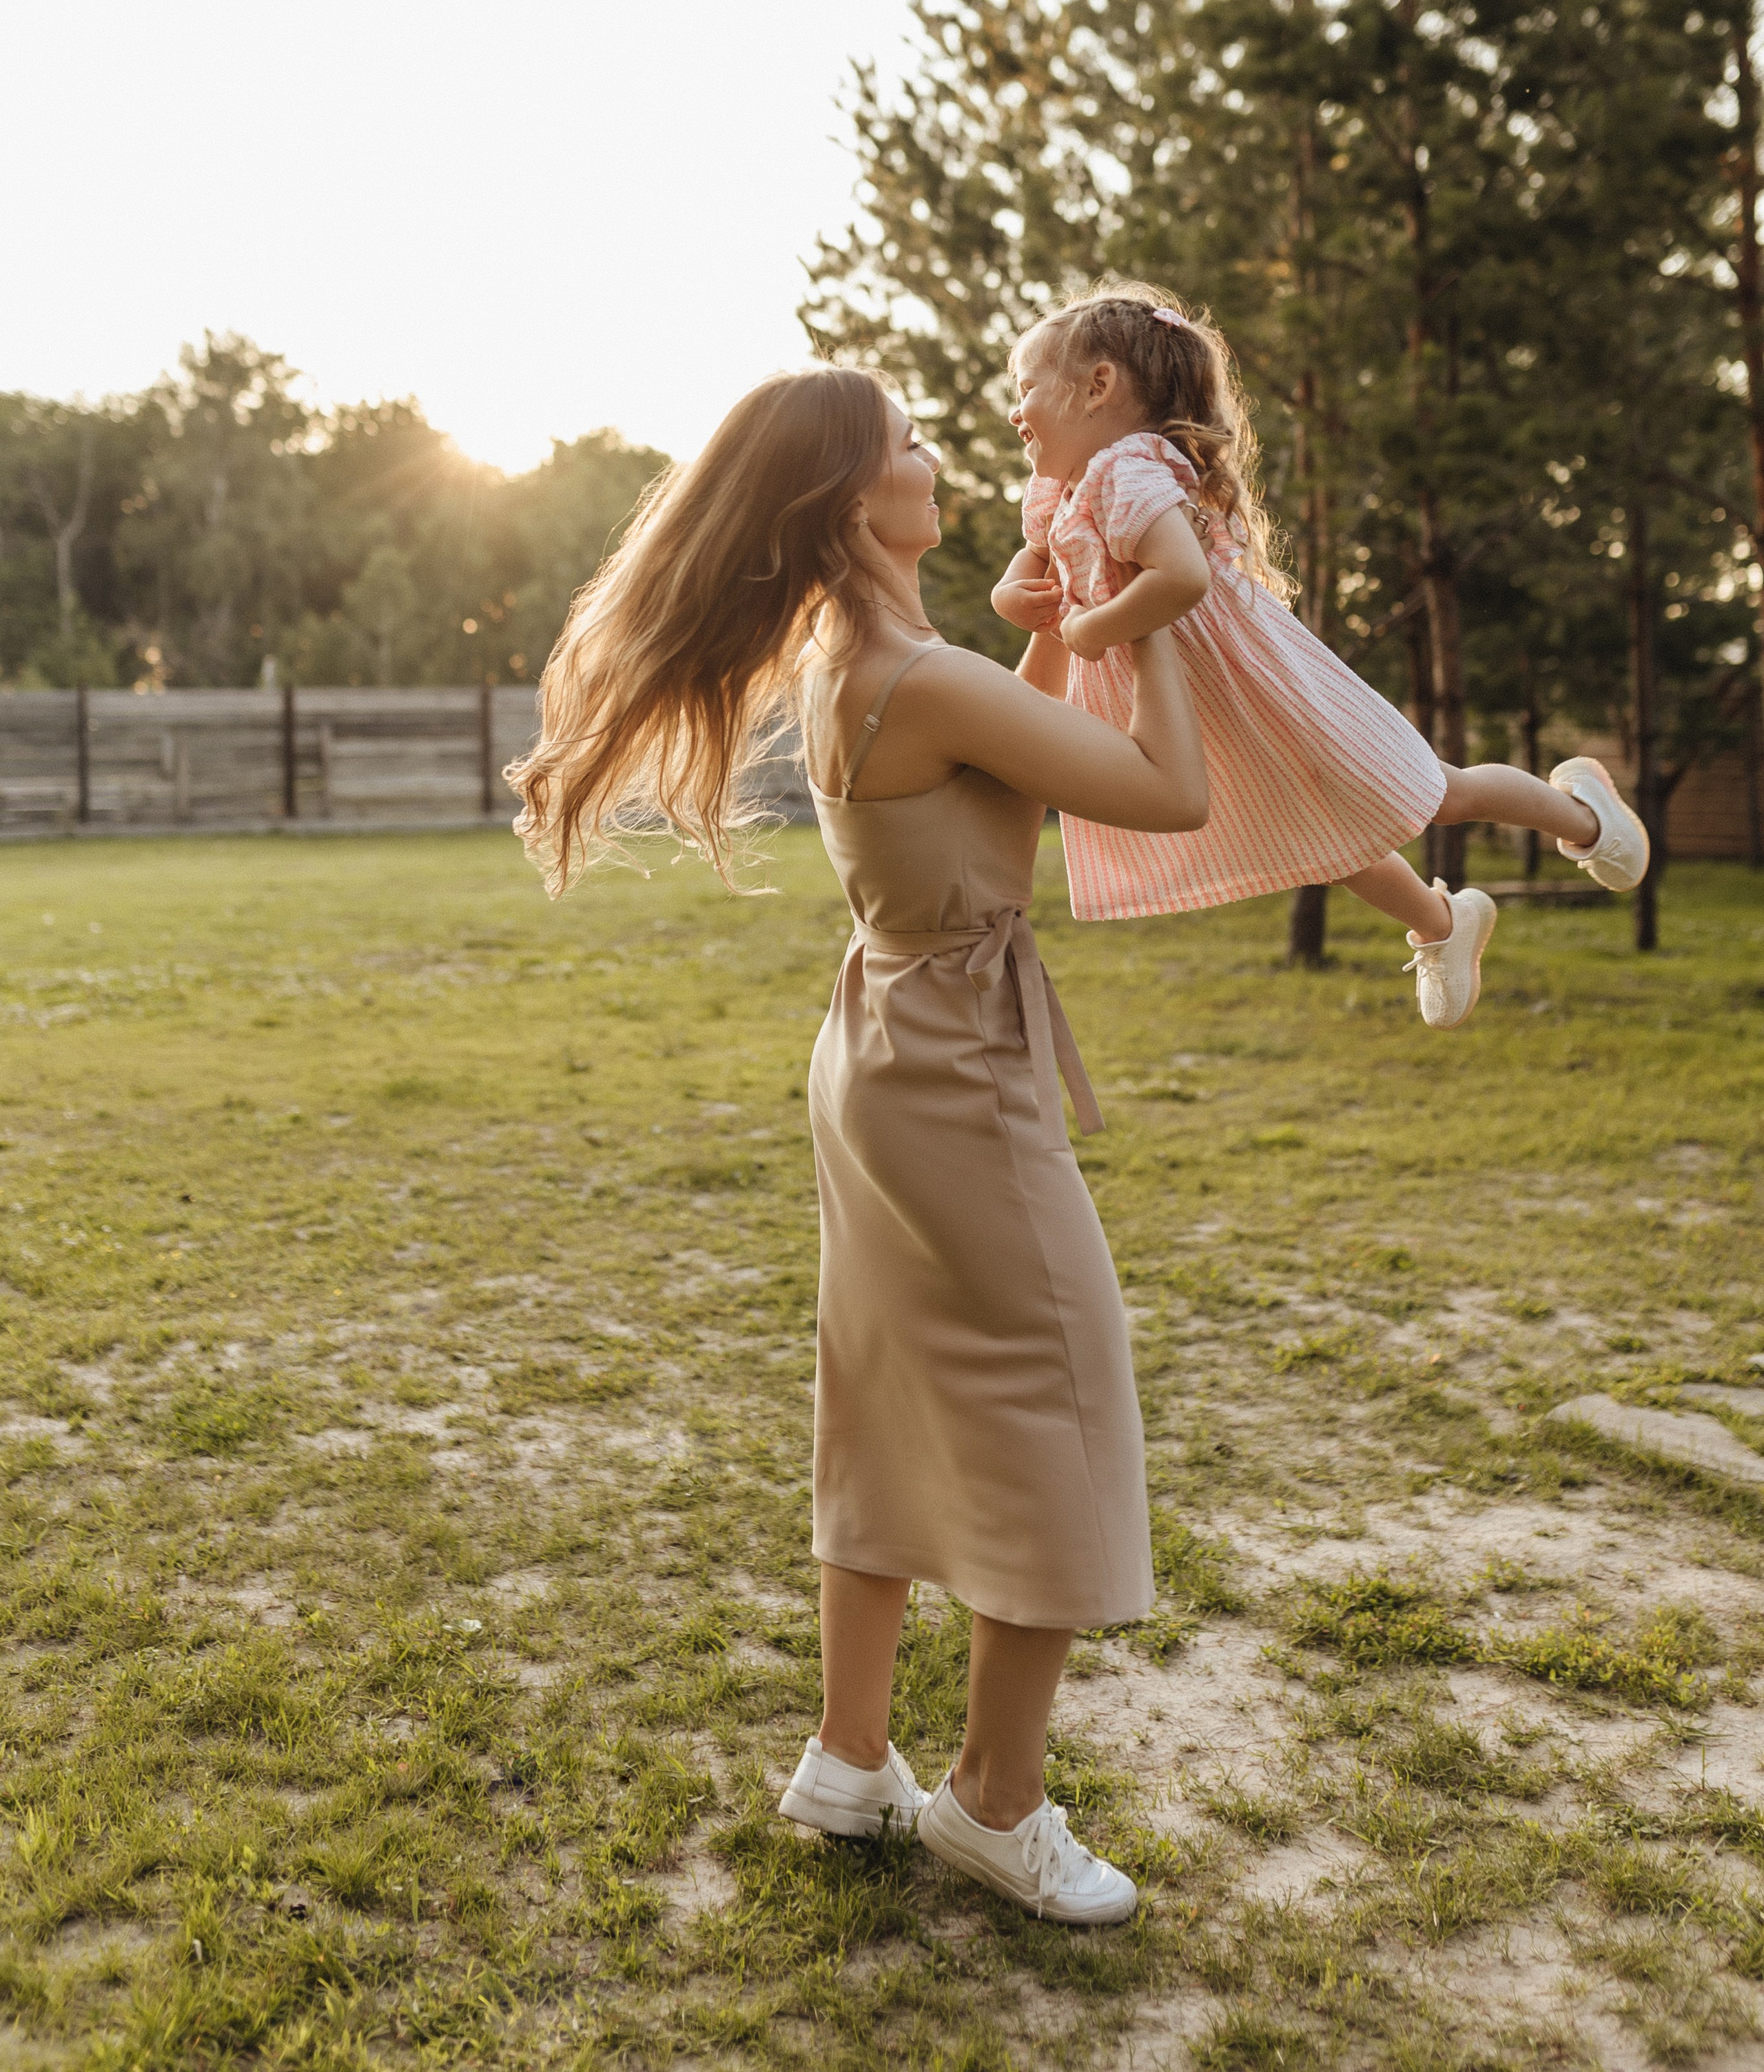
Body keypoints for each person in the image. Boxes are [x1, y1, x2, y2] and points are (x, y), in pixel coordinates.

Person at [507, 364, 1209, 1927]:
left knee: (883, 1387)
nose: (935, 451)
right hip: (952, 1063)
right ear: (849, 501)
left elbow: (1006, 760)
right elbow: (1169, 791)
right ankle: (995, 1805)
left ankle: (847, 1757)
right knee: (1060, 1390)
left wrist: (1054, 618)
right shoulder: (919, 674)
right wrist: (1151, 604)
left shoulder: (872, 661)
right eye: (906, 440)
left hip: (886, 1042)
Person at [992, 282, 1650, 1030]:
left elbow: (1181, 578)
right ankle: (1442, 924)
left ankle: (1582, 813)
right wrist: (1012, 597)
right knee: (1311, 832)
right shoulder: (1060, 490)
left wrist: (1093, 630)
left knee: (1436, 790)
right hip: (1191, 706)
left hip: (1253, 679)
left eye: (1026, 389)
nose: (1016, 412)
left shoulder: (1128, 471)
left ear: (1097, 386)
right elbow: (1031, 563)